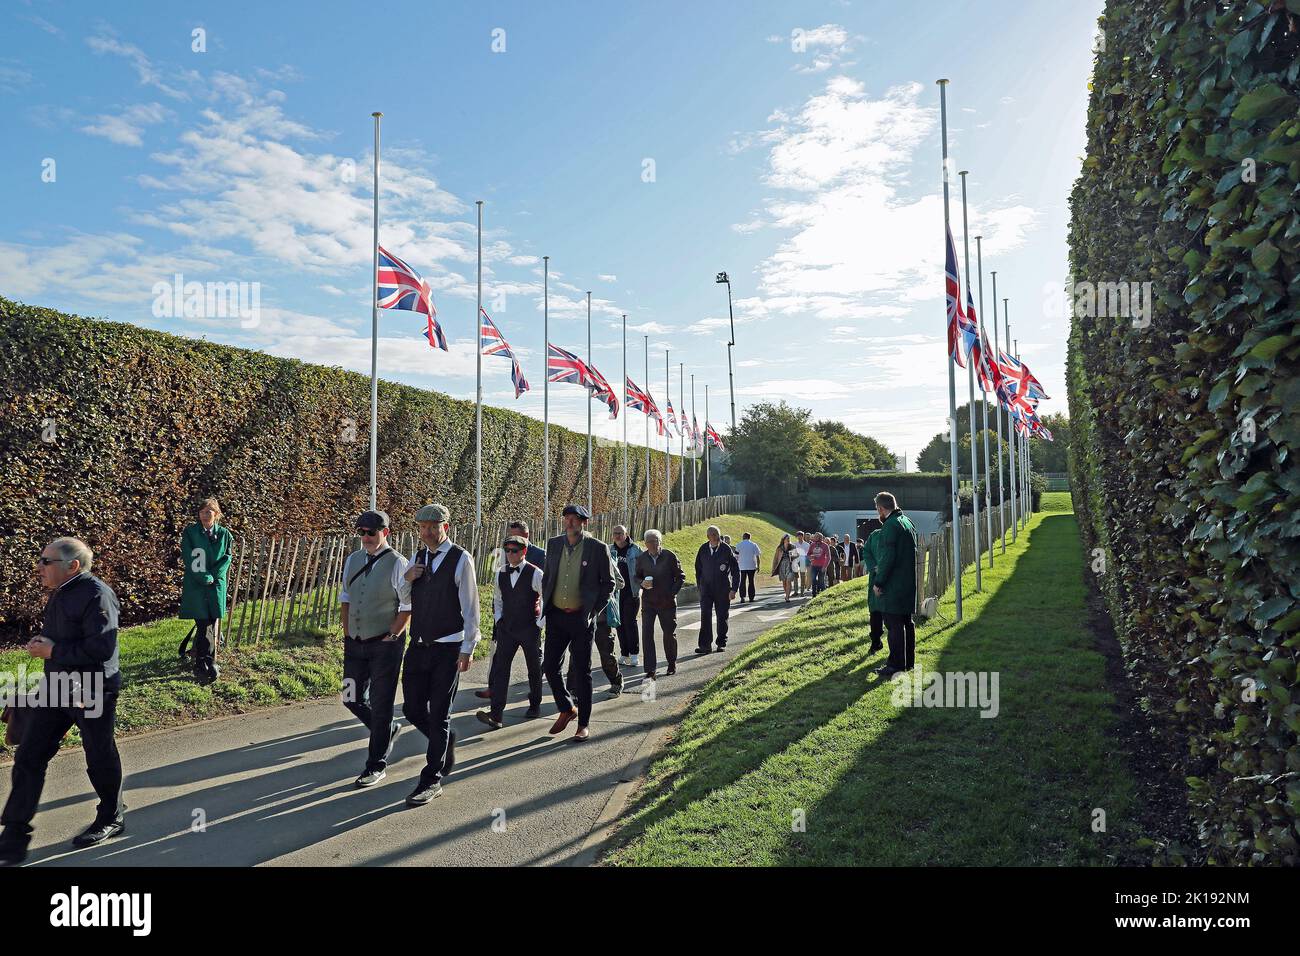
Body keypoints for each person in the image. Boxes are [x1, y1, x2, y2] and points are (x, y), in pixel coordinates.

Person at [0, 538, 125, 866]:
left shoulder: (98, 596)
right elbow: (68, 637)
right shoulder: (61, 592)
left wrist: (52, 651)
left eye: (46, 561)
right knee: (29, 754)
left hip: (92, 690)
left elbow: (102, 650)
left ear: (72, 566)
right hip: (57, 687)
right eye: (41, 560)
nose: (39, 567)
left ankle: (111, 816)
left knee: (98, 754)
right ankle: (13, 835)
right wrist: (45, 644)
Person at [401, 504, 480, 806]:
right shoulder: (418, 557)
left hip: (448, 647)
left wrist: (468, 648)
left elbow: (472, 608)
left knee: (439, 714)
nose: (427, 532)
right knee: (411, 709)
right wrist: (407, 578)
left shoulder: (462, 559)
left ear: (445, 527)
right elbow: (403, 598)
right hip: (418, 645)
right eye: (422, 527)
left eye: (433, 526)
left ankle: (431, 779)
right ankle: (444, 741)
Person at [338, 509, 411, 788]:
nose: (366, 537)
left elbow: (406, 607)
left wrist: (392, 636)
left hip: (385, 644)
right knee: (350, 696)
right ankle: (387, 730)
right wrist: (346, 632)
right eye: (362, 532)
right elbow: (345, 596)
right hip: (354, 642)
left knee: (381, 704)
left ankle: (376, 765)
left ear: (385, 533)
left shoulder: (397, 564)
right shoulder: (353, 560)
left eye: (372, 532)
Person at [540, 505, 616, 742]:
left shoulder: (597, 548)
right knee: (550, 666)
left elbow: (609, 583)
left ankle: (583, 724)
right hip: (556, 616)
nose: (570, 523)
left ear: (584, 523)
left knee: (582, 672)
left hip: (581, 619)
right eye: (567, 518)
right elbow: (548, 576)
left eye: (575, 519)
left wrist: (593, 610)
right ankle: (566, 707)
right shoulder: (553, 544)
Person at [474, 519, 546, 704]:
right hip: (507, 622)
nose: (510, 552)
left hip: (530, 623)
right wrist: (498, 618)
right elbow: (498, 594)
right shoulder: (502, 561)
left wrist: (540, 623)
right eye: (508, 546)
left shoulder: (540, 559)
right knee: (500, 663)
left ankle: (534, 701)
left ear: (526, 539)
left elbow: (546, 593)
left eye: (516, 544)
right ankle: (496, 703)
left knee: (534, 666)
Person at [177, 497, 233, 685]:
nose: (204, 515)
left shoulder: (225, 534)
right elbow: (189, 555)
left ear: (216, 514)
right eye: (202, 512)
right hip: (197, 585)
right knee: (204, 624)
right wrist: (204, 577)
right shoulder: (191, 532)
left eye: (208, 512)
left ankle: (204, 662)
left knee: (210, 622)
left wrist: (214, 576)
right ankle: (205, 663)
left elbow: (227, 557)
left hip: (216, 585)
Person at [871, 492, 919, 677]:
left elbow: (887, 558)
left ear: (882, 508)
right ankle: (908, 662)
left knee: (893, 624)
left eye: (877, 509)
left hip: (894, 584)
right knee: (907, 622)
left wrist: (879, 581)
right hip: (907, 582)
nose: (878, 513)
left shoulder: (890, 526)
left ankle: (895, 665)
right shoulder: (907, 521)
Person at [633, 529, 685, 679]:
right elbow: (636, 576)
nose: (652, 544)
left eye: (655, 541)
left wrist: (672, 593)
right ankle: (650, 669)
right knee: (647, 634)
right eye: (649, 542)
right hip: (649, 602)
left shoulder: (669, 556)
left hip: (667, 602)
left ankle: (671, 662)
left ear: (660, 542)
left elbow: (680, 576)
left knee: (669, 633)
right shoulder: (642, 558)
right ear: (645, 543)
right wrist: (642, 582)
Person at [694, 525, 740, 654]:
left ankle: (721, 643)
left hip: (722, 589)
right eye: (712, 534)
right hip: (706, 589)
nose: (715, 537)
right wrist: (700, 586)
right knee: (705, 616)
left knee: (722, 616)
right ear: (708, 536)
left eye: (717, 534)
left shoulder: (726, 549)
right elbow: (698, 569)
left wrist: (734, 589)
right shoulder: (703, 549)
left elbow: (735, 570)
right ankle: (705, 646)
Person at [610, 526, 642, 667]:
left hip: (632, 592)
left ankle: (634, 654)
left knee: (630, 622)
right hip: (615, 593)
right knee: (619, 623)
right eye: (615, 533)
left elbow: (643, 568)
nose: (617, 536)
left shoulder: (635, 549)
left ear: (626, 534)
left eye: (620, 533)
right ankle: (624, 653)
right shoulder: (609, 550)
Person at [863, 528, 885, 654]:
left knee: (891, 614)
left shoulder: (897, 532)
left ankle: (896, 651)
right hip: (876, 577)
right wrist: (874, 567)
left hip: (893, 578)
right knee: (875, 612)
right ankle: (875, 641)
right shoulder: (874, 535)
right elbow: (866, 551)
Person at [771, 533, 798, 603]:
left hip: (790, 566)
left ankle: (787, 597)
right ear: (783, 540)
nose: (788, 540)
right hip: (782, 566)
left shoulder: (792, 547)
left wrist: (793, 554)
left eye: (789, 539)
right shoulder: (780, 548)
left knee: (788, 581)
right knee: (784, 582)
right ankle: (787, 594)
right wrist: (773, 568)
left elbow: (795, 557)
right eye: (787, 539)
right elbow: (775, 559)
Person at [736, 532, 761, 603]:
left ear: (743, 537)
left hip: (742, 566)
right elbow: (758, 556)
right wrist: (758, 566)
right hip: (751, 565)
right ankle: (751, 597)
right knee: (751, 581)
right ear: (749, 537)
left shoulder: (739, 545)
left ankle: (742, 597)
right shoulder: (753, 545)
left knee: (742, 581)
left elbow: (736, 555)